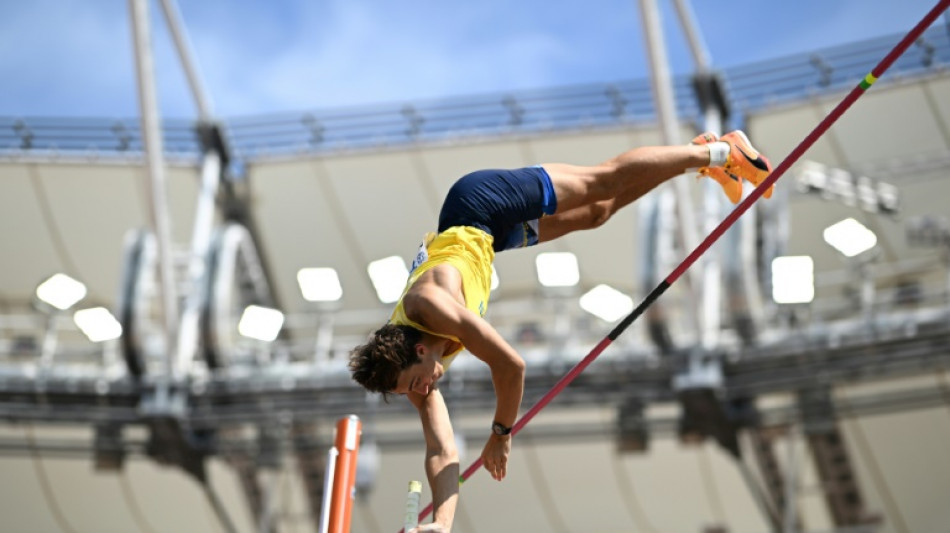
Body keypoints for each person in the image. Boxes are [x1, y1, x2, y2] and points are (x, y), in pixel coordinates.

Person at [349, 130, 773, 532]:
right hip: (491, 237)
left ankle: (722, 151)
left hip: (479, 204)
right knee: (597, 212)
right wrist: (442, 523)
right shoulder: (418, 366)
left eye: (413, 383)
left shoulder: (429, 306)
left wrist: (501, 433)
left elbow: (511, 364)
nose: (419, 392)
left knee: (599, 181)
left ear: (419, 350)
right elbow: (441, 451)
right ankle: (699, 157)